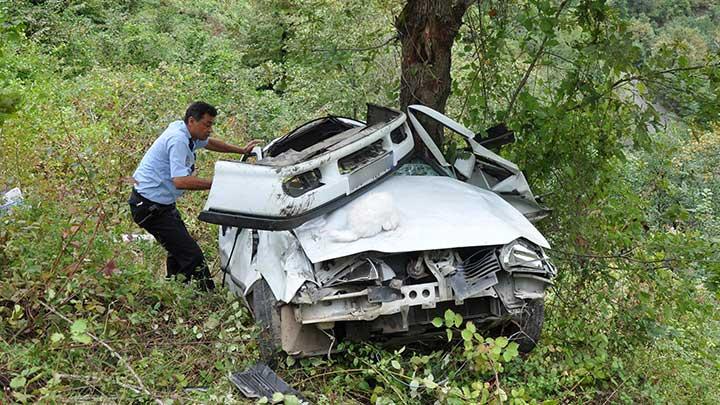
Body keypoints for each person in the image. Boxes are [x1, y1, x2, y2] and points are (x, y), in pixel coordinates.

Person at [128, 101, 260, 290]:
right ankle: (208, 298)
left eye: (212, 124)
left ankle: (174, 290)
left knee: (177, 251)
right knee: (192, 256)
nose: (210, 129)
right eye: (207, 124)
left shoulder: (186, 131)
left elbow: (210, 143)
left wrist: (241, 150)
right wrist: (220, 183)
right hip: (149, 207)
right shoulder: (178, 140)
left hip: (160, 205)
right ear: (192, 121)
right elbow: (180, 181)